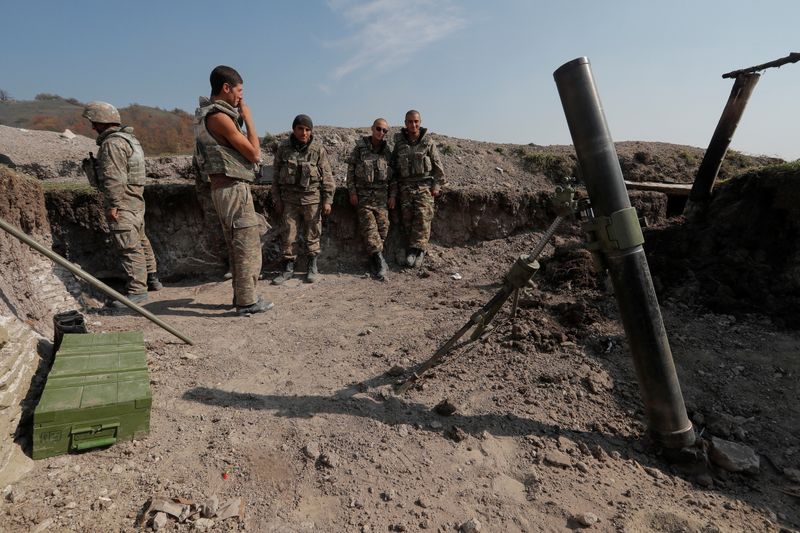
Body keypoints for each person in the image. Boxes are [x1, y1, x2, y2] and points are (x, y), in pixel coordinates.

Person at [193, 65, 272, 315]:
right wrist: (248, 117)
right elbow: (254, 153)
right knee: (247, 245)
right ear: (226, 88)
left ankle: (242, 297)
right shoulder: (219, 117)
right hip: (232, 189)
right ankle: (247, 302)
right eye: (239, 91)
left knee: (238, 244)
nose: (241, 97)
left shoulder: (208, 115)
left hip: (225, 189)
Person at [81, 101, 162, 307]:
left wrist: (112, 205)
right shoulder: (129, 140)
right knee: (141, 239)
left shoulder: (112, 144)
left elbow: (113, 178)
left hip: (124, 200)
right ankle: (151, 278)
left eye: (93, 123)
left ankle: (137, 291)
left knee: (128, 245)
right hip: (135, 199)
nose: (92, 128)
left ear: (100, 123)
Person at [271, 114, 335, 284]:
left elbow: (327, 177)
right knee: (288, 234)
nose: (304, 133)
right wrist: (277, 199)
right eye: (301, 129)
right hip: (289, 200)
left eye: (307, 130)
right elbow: (275, 176)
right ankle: (288, 268)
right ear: (294, 129)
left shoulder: (317, 150)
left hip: (311, 199)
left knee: (313, 233)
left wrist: (328, 200)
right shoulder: (283, 148)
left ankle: (312, 266)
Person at [390, 109, 445, 268]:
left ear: (420, 123)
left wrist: (436, 185)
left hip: (424, 186)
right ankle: (412, 250)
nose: (413, 125)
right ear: (405, 123)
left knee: (422, 218)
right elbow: (393, 169)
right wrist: (394, 192)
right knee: (407, 219)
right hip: (405, 187)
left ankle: (420, 250)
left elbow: (438, 168)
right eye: (409, 122)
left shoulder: (428, 142)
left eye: (416, 122)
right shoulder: (399, 143)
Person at [346, 118, 393, 280]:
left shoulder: (387, 152)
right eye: (379, 129)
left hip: (381, 199)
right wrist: (352, 192)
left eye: (384, 131)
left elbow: (393, 177)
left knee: (383, 228)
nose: (381, 133)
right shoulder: (360, 149)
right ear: (372, 129)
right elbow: (350, 171)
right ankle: (380, 263)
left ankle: (373, 258)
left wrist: (392, 196)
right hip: (364, 198)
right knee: (370, 229)